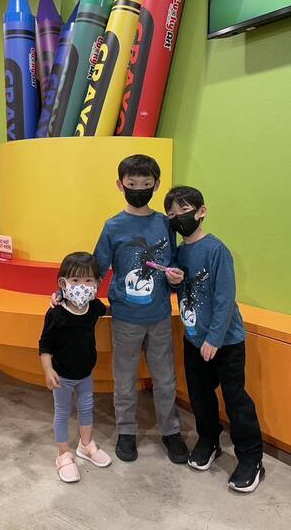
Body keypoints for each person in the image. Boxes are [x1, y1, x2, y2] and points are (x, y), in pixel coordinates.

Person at [164, 185, 264, 493]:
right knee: (200, 396)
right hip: (193, 339)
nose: (179, 218)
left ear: (201, 212)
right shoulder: (179, 252)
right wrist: (174, 282)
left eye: (184, 211)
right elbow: (184, 291)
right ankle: (209, 441)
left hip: (225, 342)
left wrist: (215, 339)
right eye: (172, 214)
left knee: (235, 400)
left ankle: (251, 458)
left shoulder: (216, 249)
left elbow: (225, 297)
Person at [94, 154, 188, 464]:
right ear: (120, 185)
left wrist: (176, 277)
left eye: (146, 184)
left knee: (165, 379)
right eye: (132, 184)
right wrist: (68, 295)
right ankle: (126, 431)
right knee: (124, 379)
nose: (139, 189)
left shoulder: (165, 224)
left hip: (160, 315)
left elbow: (174, 262)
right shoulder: (113, 226)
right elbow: (97, 268)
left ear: (156, 185)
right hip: (125, 317)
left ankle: (171, 431)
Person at [39, 251, 111, 483]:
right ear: (63, 283)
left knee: (87, 408)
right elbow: (45, 345)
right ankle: (63, 454)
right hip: (62, 376)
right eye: (75, 280)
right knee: (62, 412)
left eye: (88, 280)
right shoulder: (56, 313)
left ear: (97, 283)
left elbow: (109, 310)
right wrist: (48, 370)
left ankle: (85, 445)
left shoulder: (94, 306)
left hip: (85, 374)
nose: (82, 286)